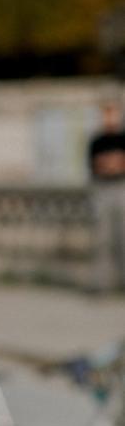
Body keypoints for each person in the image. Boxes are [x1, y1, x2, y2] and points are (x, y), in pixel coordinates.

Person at [87, 99, 125, 293]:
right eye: (106, 113)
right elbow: (96, 166)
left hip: (121, 189)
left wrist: (111, 163)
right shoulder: (97, 141)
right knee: (103, 239)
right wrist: (114, 162)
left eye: (113, 112)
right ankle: (102, 284)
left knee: (122, 237)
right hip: (102, 190)